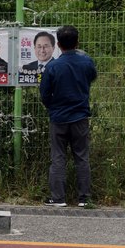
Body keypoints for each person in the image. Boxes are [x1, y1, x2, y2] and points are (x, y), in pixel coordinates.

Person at [39, 25, 97, 208]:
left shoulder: (52, 66)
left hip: (58, 118)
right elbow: (91, 77)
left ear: (57, 44)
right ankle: (84, 198)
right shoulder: (86, 62)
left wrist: (53, 108)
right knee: (82, 157)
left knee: (58, 157)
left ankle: (58, 198)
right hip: (80, 117)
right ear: (77, 42)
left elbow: (44, 94)